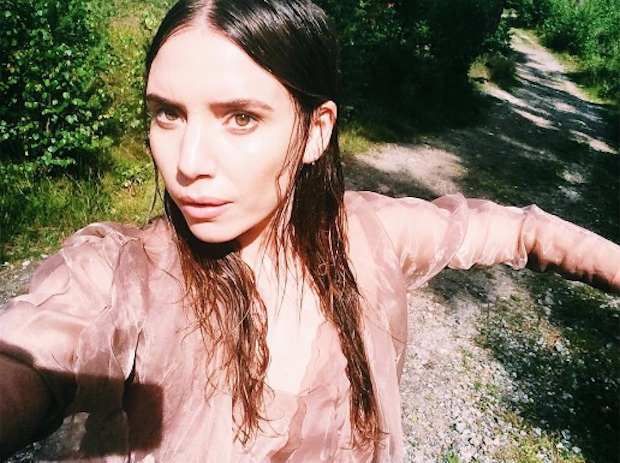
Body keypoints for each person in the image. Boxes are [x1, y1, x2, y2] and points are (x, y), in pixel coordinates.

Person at [0, 0, 618, 461]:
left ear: (315, 132)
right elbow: (32, 351)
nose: (188, 162)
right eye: (168, 113)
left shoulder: (367, 236)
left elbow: (516, 231)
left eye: (240, 118)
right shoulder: (120, 273)